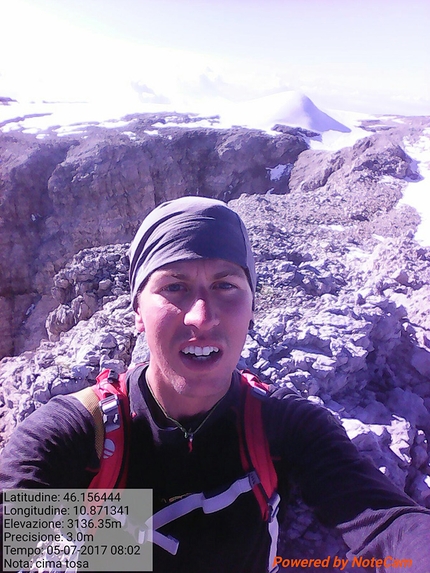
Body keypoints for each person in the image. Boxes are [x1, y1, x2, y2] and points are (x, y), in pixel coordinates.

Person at [0, 196, 429, 573]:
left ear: (252, 306)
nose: (201, 317)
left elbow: (387, 523)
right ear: (136, 311)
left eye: (225, 285)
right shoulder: (79, 434)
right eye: (174, 287)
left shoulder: (283, 426)